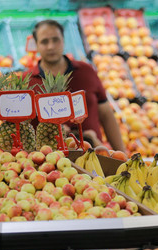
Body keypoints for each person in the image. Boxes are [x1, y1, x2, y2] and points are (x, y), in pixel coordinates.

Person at [25, 19, 126, 152]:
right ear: (36, 45)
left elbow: (106, 114)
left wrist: (122, 155)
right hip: (47, 161)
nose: (51, 46)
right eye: (44, 41)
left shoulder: (86, 71)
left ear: (63, 41)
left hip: (92, 153)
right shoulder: (27, 80)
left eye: (55, 40)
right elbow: (22, 128)